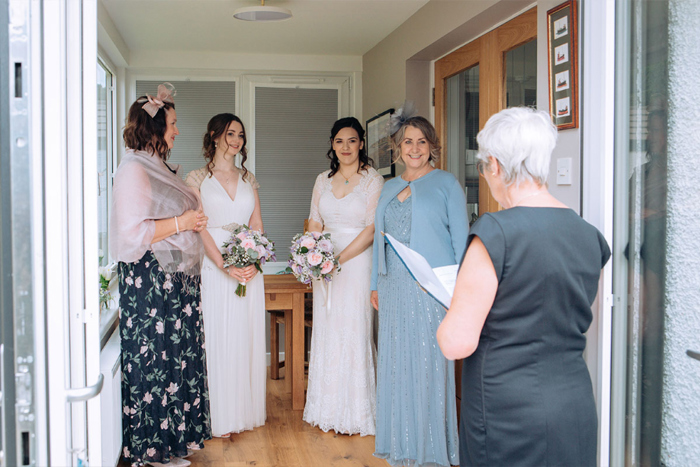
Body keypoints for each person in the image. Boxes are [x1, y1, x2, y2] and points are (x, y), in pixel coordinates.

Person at [436, 107, 611, 467]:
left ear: (495, 165)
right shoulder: (589, 235)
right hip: (573, 404)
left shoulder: (494, 233)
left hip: (506, 412)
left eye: (484, 167)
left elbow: (456, 342)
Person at [110, 83, 211, 467]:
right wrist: (182, 220)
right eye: (172, 123)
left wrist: (190, 217)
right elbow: (132, 234)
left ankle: (169, 445)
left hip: (169, 285)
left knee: (173, 362)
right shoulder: (134, 169)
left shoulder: (154, 167)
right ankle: (152, 450)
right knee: (157, 362)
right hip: (150, 285)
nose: (177, 131)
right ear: (154, 129)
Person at [370, 108, 467, 467]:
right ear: (398, 147)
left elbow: (461, 240)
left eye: (421, 142)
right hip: (392, 286)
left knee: (428, 364)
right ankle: (402, 445)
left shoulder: (446, 184)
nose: (414, 148)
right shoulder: (389, 186)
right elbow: (380, 238)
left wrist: (460, 294)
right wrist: (374, 283)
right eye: (408, 142)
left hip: (430, 289)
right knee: (395, 365)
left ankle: (431, 449)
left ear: (432, 147)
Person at [185, 113, 266, 437]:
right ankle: (217, 416)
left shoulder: (249, 177)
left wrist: (253, 261)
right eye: (231, 134)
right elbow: (199, 226)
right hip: (214, 265)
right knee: (217, 337)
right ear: (215, 136)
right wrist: (223, 264)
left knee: (243, 336)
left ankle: (243, 412)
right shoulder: (196, 178)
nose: (237, 140)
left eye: (241, 135)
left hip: (247, 266)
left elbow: (257, 223)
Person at [303, 117, 384, 436]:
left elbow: (372, 228)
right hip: (325, 265)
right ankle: (326, 409)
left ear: (361, 143)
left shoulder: (372, 179)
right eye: (339, 141)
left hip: (356, 263)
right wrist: (315, 254)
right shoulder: (323, 179)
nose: (345, 147)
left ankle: (356, 412)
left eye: (352, 141)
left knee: (353, 329)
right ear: (332, 146)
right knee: (328, 329)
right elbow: (314, 220)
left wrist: (339, 258)